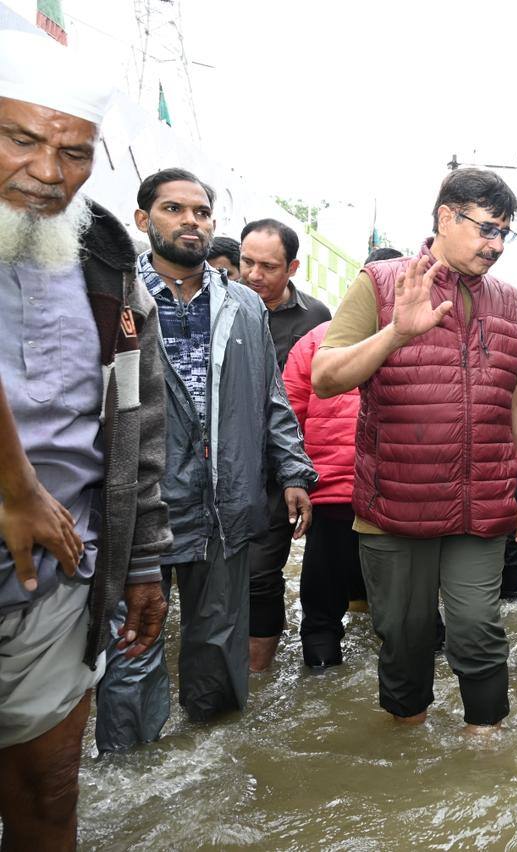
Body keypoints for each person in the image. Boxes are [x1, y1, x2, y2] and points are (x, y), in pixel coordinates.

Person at [0, 30, 170, 846]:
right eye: (20, 139)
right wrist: (15, 489)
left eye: (73, 153)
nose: (46, 171)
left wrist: (142, 562)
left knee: (47, 789)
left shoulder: (106, 257)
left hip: (57, 580)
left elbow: (138, 422)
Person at [311, 168, 517, 733]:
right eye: (486, 229)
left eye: (504, 233)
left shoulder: (511, 303)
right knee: (404, 636)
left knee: (477, 628)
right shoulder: (380, 283)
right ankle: (408, 742)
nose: (496, 245)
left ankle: (486, 744)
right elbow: (324, 377)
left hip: (480, 504)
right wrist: (396, 332)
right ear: (446, 216)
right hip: (395, 505)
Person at [95, 169, 316, 751]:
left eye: (201, 212)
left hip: (223, 497)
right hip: (138, 500)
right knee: (134, 640)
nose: (190, 221)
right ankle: (132, 765)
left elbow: (271, 397)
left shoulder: (242, 304)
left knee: (218, 642)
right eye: (173, 209)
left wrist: (293, 471)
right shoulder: (114, 295)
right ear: (143, 220)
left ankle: (213, 760)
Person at [239, 218, 331, 671]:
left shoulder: (317, 319)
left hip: (281, 466)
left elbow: (325, 403)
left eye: (268, 267)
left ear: (292, 268)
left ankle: (257, 674)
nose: (254, 275)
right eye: (247, 263)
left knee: (261, 572)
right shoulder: (221, 306)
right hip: (221, 461)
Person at [282, 321, 367, 667]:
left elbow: (288, 420)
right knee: (410, 605)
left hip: (330, 491)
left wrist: (297, 480)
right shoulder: (419, 335)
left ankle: (321, 664)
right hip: (394, 493)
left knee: (322, 604)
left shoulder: (315, 340)